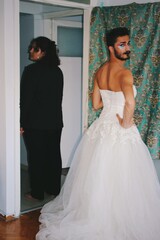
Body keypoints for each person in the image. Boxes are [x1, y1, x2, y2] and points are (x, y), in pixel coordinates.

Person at [36, 28, 160, 240]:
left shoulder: (100, 72)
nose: (128, 48)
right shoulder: (125, 73)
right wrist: (125, 123)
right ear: (111, 48)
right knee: (122, 178)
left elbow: (96, 104)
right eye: (122, 44)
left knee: (100, 177)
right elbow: (130, 102)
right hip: (120, 130)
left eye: (128, 43)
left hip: (102, 128)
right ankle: (118, 220)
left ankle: (97, 215)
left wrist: (112, 104)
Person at [20, 36, 63, 201]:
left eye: (34, 48)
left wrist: (22, 123)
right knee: (53, 155)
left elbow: (26, 101)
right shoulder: (58, 71)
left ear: (43, 52)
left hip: (35, 123)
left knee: (36, 157)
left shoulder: (31, 71)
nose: (30, 51)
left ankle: (37, 193)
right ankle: (53, 189)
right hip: (55, 122)